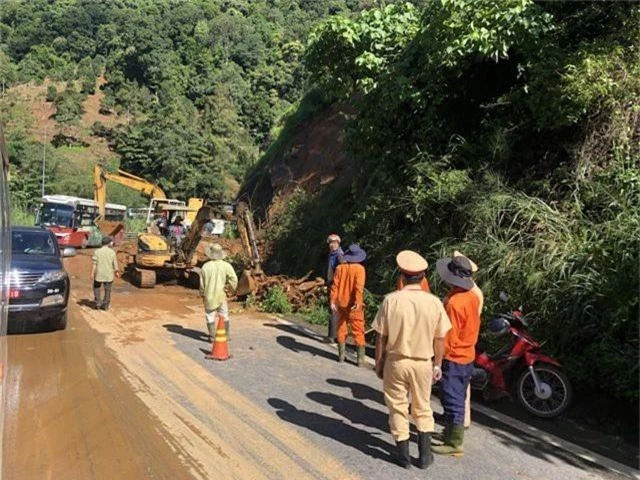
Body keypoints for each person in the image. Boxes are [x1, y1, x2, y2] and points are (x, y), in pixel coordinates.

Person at [373, 250, 451, 469]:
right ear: (423, 277)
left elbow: (381, 336)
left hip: (396, 362)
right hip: (423, 363)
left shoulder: (391, 300)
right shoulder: (434, 303)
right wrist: (438, 364)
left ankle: (403, 456)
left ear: (402, 276)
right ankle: (425, 457)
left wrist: (379, 362)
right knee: (423, 406)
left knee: (397, 406)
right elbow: (440, 338)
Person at [432, 255, 481, 457]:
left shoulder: (454, 303)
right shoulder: (472, 296)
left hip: (455, 355)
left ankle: (455, 442)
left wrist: (438, 361)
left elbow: (448, 336)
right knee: (458, 396)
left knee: (451, 397)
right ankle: (451, 433)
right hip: (468, 353)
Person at [453, 250, 482, 429]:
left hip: (462, 342)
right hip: (467, 341)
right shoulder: (471, 291)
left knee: (459, 384)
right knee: (461, 384)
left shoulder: (470, 293)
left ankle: (461, 419)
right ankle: (459, 417)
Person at [330, 244, 366, 366]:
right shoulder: (360, 269)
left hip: (341, 303)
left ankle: (341, 356)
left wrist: (332, 301)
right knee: (358, 330)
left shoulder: (340, 268)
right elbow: (358, 288)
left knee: (341, 328)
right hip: (354, 306)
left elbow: (334, 286)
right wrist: (358, 302)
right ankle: (360, 360)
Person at [200, 243, 238, 341]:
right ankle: (226, 335)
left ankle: (212, 336)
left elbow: (202, 285)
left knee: (210, 316)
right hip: (221, 296)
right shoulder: (226, 265)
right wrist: (230, 291)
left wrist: (202, 295)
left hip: (209, 296)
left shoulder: (205, 267)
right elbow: (234, 280)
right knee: (224, 315)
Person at [321, 233, 344, 343]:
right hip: (331, 283)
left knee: (333, 309)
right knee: (332, 309)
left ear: (338, 243)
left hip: (336, 285)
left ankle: (332, 337)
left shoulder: (340, 255)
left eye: (334, 242)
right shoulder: (332, 254)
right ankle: (332, 335)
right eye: (330, 243)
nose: (332, 245)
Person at [91, 236, 119, 311]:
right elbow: (115, 264)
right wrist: (116, 272)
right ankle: (105, 305)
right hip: (108, 275)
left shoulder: (97, 251)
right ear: (109, 243)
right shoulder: (112, 252)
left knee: (96, 287)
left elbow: (94, 263)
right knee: (108, 289)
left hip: (99, 274)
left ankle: (98, 302)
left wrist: (92, 273)